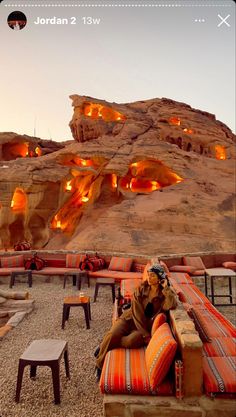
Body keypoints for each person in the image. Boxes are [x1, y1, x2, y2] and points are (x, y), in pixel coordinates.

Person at [94, 264, 178, 381]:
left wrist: (166, 288)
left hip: (142, 327)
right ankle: (99, 365)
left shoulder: (163, 295)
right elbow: (137, 313)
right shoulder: (141, 289)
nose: (149, 277)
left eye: (153, 276)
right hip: (129, 319)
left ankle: (105, 344)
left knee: (132, 341)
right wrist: (146, 335)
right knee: (113, 333)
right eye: (148, 275)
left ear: (160, 279)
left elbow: (171, 304)